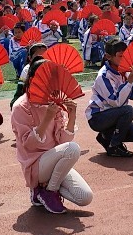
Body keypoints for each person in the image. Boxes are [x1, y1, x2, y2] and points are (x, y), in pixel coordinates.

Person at [10, 57, 94, 214]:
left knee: (85, 197)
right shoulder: (21, 106)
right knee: (73, 149)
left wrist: (72, 115)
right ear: (33, 79)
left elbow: (63, 140)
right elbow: (29, 144)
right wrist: (47, 117)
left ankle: (47, 189)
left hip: (55, 161)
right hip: (35, 165)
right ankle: (46, 190)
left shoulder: (53, 101)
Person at [86, 37, 133, 157]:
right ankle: (114, 145)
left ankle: (106, 137)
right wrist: (130, 81)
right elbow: (116, 102)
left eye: (125, 55)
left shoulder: (123, 72)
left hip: (112, 115)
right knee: (128, 111)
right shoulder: (103, 76)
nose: (125, 59)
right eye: (121, 56)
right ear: (108, 57)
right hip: (98, 117)